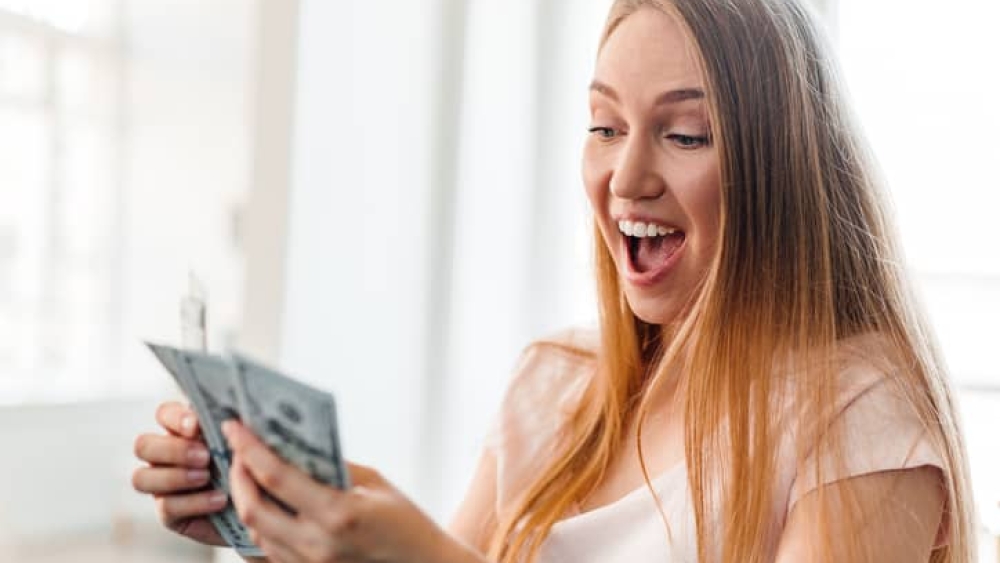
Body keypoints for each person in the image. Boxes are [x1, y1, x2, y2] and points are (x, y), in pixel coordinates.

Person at [131, 0, 975, 561]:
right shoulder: (556, 384)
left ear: (782, 172)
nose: (625, 175)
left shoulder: (859, 414)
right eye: (604, 125)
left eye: (684, 136)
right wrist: (283, 527)